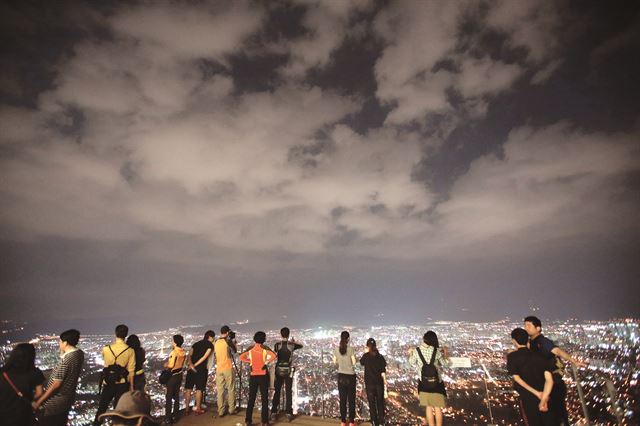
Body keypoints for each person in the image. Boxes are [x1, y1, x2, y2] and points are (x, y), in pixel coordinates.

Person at [524, 316, 587, 426]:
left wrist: (573, 361)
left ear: (538, 328)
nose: (526, 328)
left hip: (554, 383)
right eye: (525, 325)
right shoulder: (532, 342)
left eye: (529, 325)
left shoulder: (542, 341)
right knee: (554, 415)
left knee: (557, 414)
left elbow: (557, 350)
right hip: (547, 382)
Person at [33, 329, 85, 426]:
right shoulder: (79, 354)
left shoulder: (66, 360)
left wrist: (39, 401)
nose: (59, 343)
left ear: (65, 343)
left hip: (54, 403)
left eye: (60, 341)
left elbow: (56, 385)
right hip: (67, 400)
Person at [507, 328, 558, 426]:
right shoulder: (541, 356)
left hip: (528, 398)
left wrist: (537, 393)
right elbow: (549, 380)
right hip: (546, 396)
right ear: (527, 339)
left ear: (514, 341)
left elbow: (517, 379)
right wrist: (543, 399)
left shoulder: (512, 357)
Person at [94, 324, 136, 426]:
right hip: (122, 384)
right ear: (126, 335)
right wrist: (131, 388)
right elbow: (131, 372)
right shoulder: (130, 351)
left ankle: (96, 424)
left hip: (108, 382)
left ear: (115, 333)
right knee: (118, 410)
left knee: (102, 408)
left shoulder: (106, 349)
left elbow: (105, 362)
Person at [409, 331, 449, 426]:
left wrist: (410, 353)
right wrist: (446, 353)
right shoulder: (436, 351)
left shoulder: (417, 351)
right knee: (438, 407)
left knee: (428, 407)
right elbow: (445, 363)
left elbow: (411, 362)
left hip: (423, 383)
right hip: (437, 383)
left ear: (424, 339)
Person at [0, 343, 45, 426]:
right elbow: (40, 393)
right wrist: (28, 398)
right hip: (23, 414)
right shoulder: (35, 372)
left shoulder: (3, 371)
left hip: (3, 414)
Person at [239, 331, 276, 426]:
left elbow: (241, 357)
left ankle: (248, 420)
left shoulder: (251, 349)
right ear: (263, 339)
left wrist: (250, 361)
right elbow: (273, 355)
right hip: (263, 375)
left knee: (251, 398)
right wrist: (266, 363)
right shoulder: (264, 349)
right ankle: (264, 421)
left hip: (253, 376)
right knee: (264, 399)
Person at [270, 326, 303, 422]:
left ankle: (273, 412)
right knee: (288, 391)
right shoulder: (292, 346)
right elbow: (301, 346)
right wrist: (293, 341)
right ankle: (289, 413)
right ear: (288, 334)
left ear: (281, 334)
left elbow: (276, 352)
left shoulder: (277, 345)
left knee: (277, 391)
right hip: (288, 371)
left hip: (279, 370)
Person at [184, 330, 215, 415]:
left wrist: (191, 365)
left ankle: (186, 409)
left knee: (188, 388)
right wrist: (195, 365)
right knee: (199, 389)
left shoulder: (196, 343)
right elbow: (204, 357)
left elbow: (189, 355)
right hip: (201, 369)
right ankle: (198, 408)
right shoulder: (210, 345)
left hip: (191, 369)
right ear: (211, 337)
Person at [360, 338, 387, 426]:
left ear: (368, 346)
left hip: (369, 384)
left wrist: (365, 352)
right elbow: (383, 371)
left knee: (372, 404)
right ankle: (382, 422)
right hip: (379, 384)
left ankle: (374, 422)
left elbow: (361, 363)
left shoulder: (366, 356)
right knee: (380, 403)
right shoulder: (380, 357)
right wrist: (385, 383)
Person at [333, 331, 357, 426]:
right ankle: (351, 422)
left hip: (341, 376)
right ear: (348, 339)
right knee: (351, 400)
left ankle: (343, 421)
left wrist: (340, 361)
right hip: (350, 376)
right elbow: (354, 362)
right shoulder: (351, 349)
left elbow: (334, 361)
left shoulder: (336, 349)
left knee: (342, 400)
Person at [215, 325, 238, 417]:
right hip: (228, 368)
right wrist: (234, 342)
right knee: (231, 389)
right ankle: (231, 409)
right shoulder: (228, 341)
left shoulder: (216, 342)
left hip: (219, 369)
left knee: (220, 391)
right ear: (228, 332)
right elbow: (234, 351)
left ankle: (220, 411)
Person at [163, 334, 186, 424]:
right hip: (179, 375)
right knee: (176, 396)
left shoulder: (174, 353)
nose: (172, 343)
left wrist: (166, 365)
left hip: (172, 376)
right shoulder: (183, 352)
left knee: (169, 397)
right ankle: (176, 415)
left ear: (175, 343)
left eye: (173, 341)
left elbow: (171, 365)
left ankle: (168, 418)